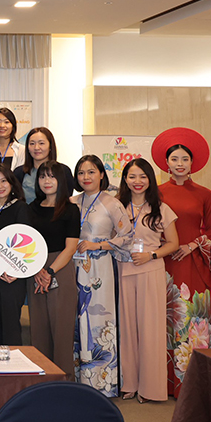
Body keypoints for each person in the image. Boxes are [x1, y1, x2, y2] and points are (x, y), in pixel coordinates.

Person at [151, 127, 211, 396]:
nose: (179, 164)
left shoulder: (205, 194)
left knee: (192, 320)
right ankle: (163, 382)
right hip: (164, 264)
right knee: (164, 319)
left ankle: (192, 386)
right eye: (174, 159)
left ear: (193, 163)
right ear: (166, 162)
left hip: (192, 264)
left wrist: (191, 245)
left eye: (184, 159)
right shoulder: (156, 192)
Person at [116, 158, 179, 403]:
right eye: (132, 176)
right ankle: (129, 384)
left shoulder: (161, 208)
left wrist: (151, 254)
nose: (137, 181)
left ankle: (150, 388)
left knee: (150, 330)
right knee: (127, 329)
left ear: (150, 179)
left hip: (150, 271)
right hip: (123, 271)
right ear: (125, 180)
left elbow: (173, 243)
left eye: (143, 176)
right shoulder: (117, 206)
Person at [72, 154, 133, 397]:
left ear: (101, 174)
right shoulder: (72, 201)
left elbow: (128, 236)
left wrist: (99, 245)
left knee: (98, 320)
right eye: (81, 173)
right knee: (77, 320)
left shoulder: (112, 203)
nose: (86, 177)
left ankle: (101, 384)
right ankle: (77, 380)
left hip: (100, 269)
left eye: (91, 172)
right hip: (74, 267)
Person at [28, 160, 80, 380]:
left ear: (61, 180)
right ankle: (41, 379)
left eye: (51, 176)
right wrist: (38, 269)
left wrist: (48, 271)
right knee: (38, 328)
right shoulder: (30, 208)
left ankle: (64, 381)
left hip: (60, 268)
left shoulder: (70, 209)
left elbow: (70, 248)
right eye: (42, 176)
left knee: (61, 330)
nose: (46, 181)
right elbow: (27, 243)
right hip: (34, 269)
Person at [0, 164, 31, 345]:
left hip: (11, 275)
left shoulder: (20, 207)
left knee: (10, 324)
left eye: (3, 181)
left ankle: (14, 368)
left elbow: (26, 243)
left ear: (11, 183)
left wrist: (15, 271)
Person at [15, 127, 75, 203]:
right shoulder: (19, 172)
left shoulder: (63, 171)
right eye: (32, 143)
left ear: (50, 146)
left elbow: (66, 199)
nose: (36, 148)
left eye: (41, 143)